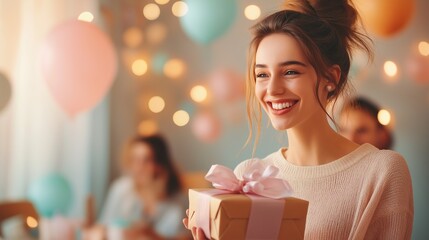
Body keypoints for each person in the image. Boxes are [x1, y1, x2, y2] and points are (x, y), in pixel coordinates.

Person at [183, 0, 414, 239]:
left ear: (331, 77)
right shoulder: (249, 177)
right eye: (262, 74)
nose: (272, 89)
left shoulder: (382, 171)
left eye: (290, 71)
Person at [86, 134, 190, 240]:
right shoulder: (121, 189)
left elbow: (186, 237)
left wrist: (152, 236)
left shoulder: (178, 203)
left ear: (160, 164)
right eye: (134, 160)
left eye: (146, 160)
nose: (139, 167)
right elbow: (102, 226)